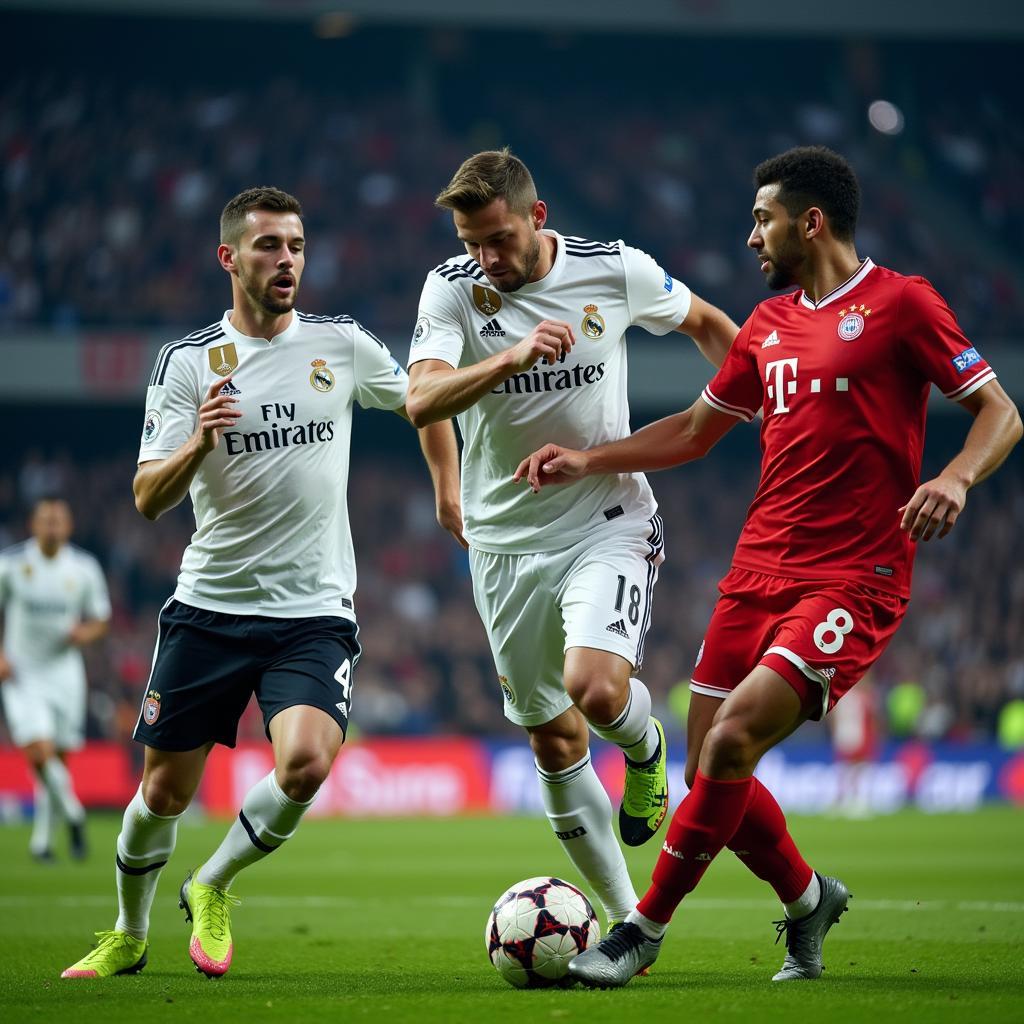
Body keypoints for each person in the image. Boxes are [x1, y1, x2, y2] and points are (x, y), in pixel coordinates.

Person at [514, 145, 1022, 984]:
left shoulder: (902, 304)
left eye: (763, 220)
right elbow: (693, 429)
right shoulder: (766, 326)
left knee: (736, 737)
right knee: (713, 758)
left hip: (854, 575)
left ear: (809, 221)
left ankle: (641, 929)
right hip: (756, 569)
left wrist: (956, 476)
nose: (751, 237)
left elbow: (999, 411)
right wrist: (587, 458)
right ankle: (807, 897)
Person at [61, 186, 460, 980]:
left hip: (313, 612)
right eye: (271, 246)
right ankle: (128, 933)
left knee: (307, 761)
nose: (287, 261)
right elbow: (147, 498)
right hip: (209, 610)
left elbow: (424, 402)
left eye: (297, 246)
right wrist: (198, 445)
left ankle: (212, 883)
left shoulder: (340, 344)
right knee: (164, 795)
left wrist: (448, 490)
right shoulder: (185, 364)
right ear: (230, 257)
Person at [405, 149, 738, 929]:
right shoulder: (451, 290)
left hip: (605, 519)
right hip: (502, 541)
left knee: (593, 689)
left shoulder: (614, 271)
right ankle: (627, 921)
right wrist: (511, 358)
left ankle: (646, 748)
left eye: (498, 238)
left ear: (537, 218)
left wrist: (753, 410)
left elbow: (710, 326)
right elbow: (420, 400)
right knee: (553, 740)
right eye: (470, 242)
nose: (487, 258)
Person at [0, 496, 111, 862]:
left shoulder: (83, 568)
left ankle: (42, 843)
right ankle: (76, 815)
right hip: (22, 672)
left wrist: (86, 633)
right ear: (33, 525)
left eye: (57, 520)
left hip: (65, 673)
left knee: (57, 762)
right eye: (45, 520)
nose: (51, 526)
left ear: (68, 526)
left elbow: (101, 620)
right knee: (39, 751)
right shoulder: (12, 565)